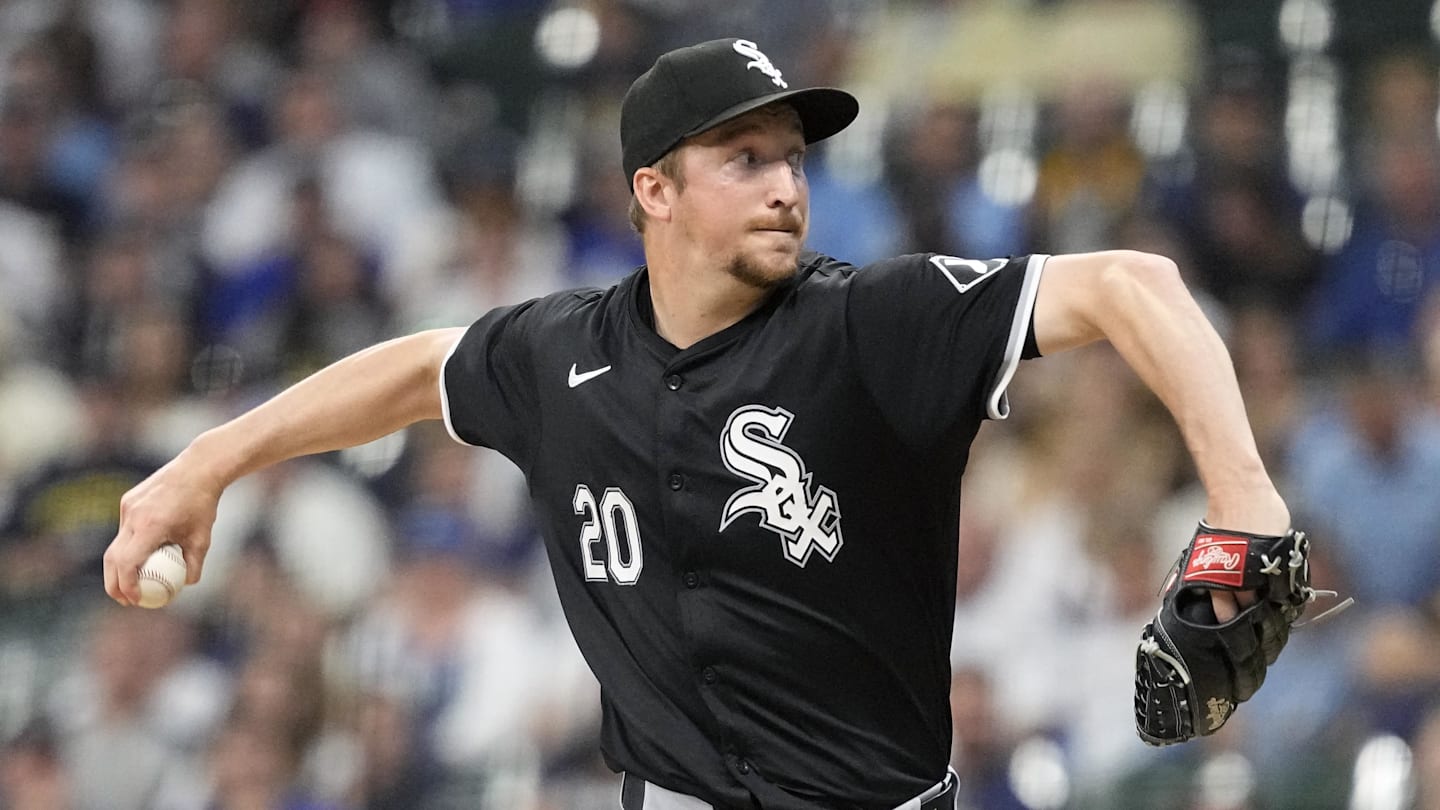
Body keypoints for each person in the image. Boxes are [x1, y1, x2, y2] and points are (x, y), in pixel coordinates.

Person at [105, 38, 1294, 810]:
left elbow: (1138, 285)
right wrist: (207, 463)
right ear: (653, 193)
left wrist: (1245, 498)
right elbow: (416, 371)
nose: (786, 182)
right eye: (743, 157)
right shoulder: (560, 354)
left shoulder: (870, 323)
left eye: (791, 157)